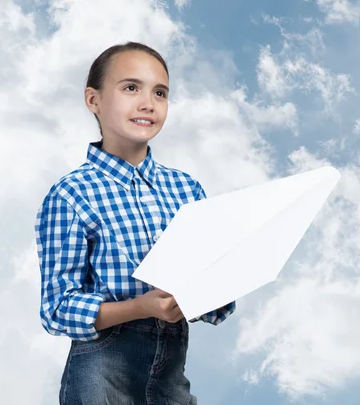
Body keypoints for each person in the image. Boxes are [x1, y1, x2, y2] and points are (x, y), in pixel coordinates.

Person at [35, 41, 236, 405]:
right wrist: (141, 307)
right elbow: (57, 309)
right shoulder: (71, 194)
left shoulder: (186, 189)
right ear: (93, 100)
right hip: (100, 381)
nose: (148, 102)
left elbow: (217, 303)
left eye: (160, 92)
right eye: (131, 88)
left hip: (170, 379)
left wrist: (215, 286)